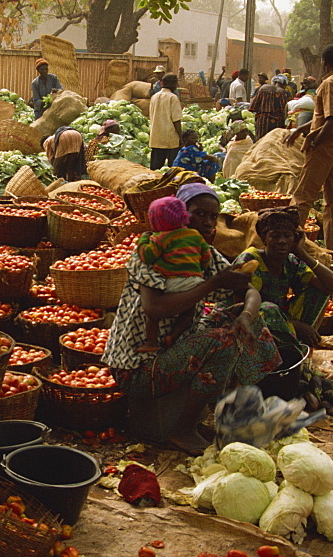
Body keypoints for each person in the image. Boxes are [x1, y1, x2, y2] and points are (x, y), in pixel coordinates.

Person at [101, 182, 282, 454]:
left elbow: (249, 290)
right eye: (199, 214)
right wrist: (210, 285)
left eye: (212, 216)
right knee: (222, 341)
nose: (208, 223)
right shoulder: (151, 250)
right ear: (180, 214)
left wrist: (245, 315)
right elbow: (155, 309)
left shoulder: (200, 250)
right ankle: (182, 429)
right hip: (138, 366)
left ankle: (231, 409)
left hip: (172, 349)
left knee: (248, 320)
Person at [231, 206, 333, 355]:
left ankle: (293, 345)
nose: (282, 241)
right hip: (245, 320)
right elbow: (243, 304)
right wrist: (295, 326)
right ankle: (293, 351)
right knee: (268, 308)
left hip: (280, 321)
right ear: (264, 239)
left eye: (287, 236)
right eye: (275, 236)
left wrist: (303, 253)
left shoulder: (291, 262)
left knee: (320, 291)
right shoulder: (251, 259)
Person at [285, 44, 333, 255]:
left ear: (323, 61)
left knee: (302, 198)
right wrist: (300, 130)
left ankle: (288, 246)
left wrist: (313, 141)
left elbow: (332, 121)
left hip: (324, 149)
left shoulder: (329, 84)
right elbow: (323, 118)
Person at [136, 196, 213, 353]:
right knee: (188, 312)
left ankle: (151, 342)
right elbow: (206, 257)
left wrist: (143, 240)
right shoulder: (195, 235)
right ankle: (173, 336)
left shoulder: (160, 238)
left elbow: (147, 256)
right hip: (194, 282)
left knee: (152, 317)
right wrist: (198, 267)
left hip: (173, 281)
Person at [149, 73, 184, 170]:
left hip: (156, 137)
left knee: (155, 169)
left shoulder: (154, 97)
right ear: (173, 84)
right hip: (170, 138)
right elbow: (176, 120)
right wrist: (181, 137)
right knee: (172, 170)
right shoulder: (173, 98)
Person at [249, 74, 291, 140]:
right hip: (277, 123)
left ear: (273, 82)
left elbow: (253, 106)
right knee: (273, 143)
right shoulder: (285, 93)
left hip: (262, 121)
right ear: (284, 84)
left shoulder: (263, 88)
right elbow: (286, 112)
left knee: (259, 142)